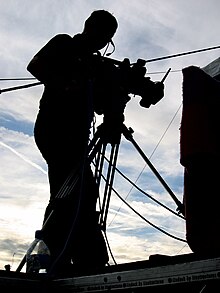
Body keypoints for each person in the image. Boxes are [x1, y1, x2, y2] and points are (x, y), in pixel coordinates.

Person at [27, 9, 120, 275]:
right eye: (104, 34)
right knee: (77, 193)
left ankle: (61, 257)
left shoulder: (95, 65)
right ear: (89, 28)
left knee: (70, 194)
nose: (104, 42)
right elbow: (36, 65)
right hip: (54, 131)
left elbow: (101, 103)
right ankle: (63, 259)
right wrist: (68, 84)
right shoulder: (64, 43)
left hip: (76, 137)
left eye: (109, 37)